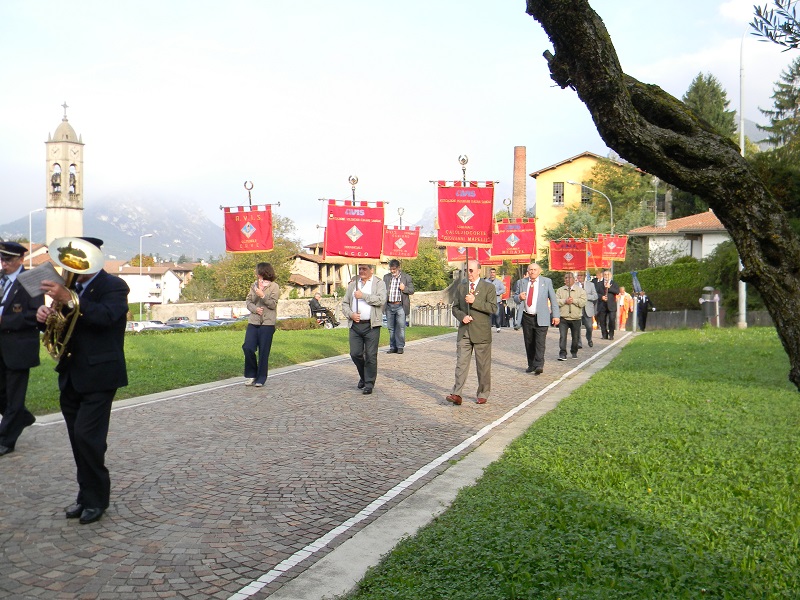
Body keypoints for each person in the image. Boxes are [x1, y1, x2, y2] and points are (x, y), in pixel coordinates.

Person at [37, 237, 129, 525]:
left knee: (88, 439)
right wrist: (44, 317)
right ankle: (85, 495)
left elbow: (107, 317)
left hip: (100, 375)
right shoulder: (72, 288)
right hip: (71, 374)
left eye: (76, 262)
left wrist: (70, 299)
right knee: (78, 441)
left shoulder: (113, 286)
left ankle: (97, 499)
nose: (70, 268)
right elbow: (59, 326)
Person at [0, 242, 44, 457]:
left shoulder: (31, 280)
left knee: (15, 396)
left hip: (19, 347)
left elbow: (35, 315)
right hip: (1, 345)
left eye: (8, 260)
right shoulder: (0, 278)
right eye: (2, 259)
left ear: (20, 259)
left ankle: (5, 440)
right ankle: (23, 417)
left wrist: (5, 321)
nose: (4, 264)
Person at [447, 259, 496, 406]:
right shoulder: (461, 287)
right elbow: (455, 307)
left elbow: (493, 308)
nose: (469, 273)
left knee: (483, 366)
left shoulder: (488, 287)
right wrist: (462, 316)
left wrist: (475, 301)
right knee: (461, 364)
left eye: (471, 270)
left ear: (479, 270)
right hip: (465, 331)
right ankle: (457, 393)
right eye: (466, 270)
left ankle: (483, 393)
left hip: (481, 332)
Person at [342, 264, 387, 395]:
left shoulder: (379, 283)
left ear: (371, 270)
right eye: (360, 268)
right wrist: (351, 314)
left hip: (371, 325)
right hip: (355, 326)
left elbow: (381, 300)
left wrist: (363, 296)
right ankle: (364, 376)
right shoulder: (353, 284)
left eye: (364, 269)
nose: (361, 271)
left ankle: (369, 383)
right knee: (355, 354)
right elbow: (345, 303)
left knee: (370, 356)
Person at [514, 263, 560, 375]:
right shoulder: (521, 282)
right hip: (527, 316)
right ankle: (531, 364)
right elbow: (515, 298)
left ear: (539, 271)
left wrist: (556, 315)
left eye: (535, 270)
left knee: (540, 342)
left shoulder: (546, 282)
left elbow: (553, 299)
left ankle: (539, 364)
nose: (532, 271)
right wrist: (519, 297)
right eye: (530, 269)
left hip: (541, 316)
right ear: (528, 271)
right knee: (529, 342)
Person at [243, 262, 280, 388]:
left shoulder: (274, 287)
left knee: (263, 352)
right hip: (253, 321)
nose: (256, 273)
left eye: (257, 271)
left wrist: (263, 295)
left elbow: (273, 304)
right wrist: (255, 309)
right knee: (248, 347)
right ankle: (251, 374)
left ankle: (261, 378)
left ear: (263, 272)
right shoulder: (254, 285)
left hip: (267, 323)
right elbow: (249, 301)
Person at [382, 259, 414, 354]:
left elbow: (412, 290)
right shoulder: (386, 277)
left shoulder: (406, 277)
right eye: (391, 269)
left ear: (398, 268)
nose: (392, 271)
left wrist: (404, 288)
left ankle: (400, 346)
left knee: (400, 327)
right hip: (389, 305)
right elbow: (382, 290)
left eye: (394, 269)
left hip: (400, 306)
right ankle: (393, 347)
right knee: (391, 328)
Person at [556, 272, 587, 361]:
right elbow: (556, 301)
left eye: (569, 278)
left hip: (576, 318)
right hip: (563, 318)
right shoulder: (560, 290)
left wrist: (573, 301)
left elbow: (583, 302)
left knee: (575, 337)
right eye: (565, 278)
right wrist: (565, 301)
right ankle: (562, 353)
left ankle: (574, 351)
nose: (567, 279)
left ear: (574, 279)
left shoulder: (580, 291)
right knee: (563, 336)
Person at [594, 269, 620, 340]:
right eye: (605, 275)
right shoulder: (599, 284)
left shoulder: (614, 283)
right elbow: (595, 293)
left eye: (608, 275)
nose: (606, 276)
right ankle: (604, 334)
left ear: (610, 275)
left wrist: (610, 287)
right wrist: (601, 297)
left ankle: (611, 334)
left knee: (612, 320)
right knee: (602, 321)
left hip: (611, 305)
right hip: (602, 305)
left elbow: (617, 291)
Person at [575, 272, 597, 348]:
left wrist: (586, 296)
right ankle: (579, 343)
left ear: (584, 276)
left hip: (588, 309)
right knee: (577, 327)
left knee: (589, 327)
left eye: (581, 275)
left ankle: (589, 339)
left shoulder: (591, 285)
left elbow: (595, 296)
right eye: (578, 275)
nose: (579, 277)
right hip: (578, 309)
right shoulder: (574, 285)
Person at [484, 268, 506, 333]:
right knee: (489, 314)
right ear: (489, 273)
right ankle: (488, 327)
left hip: (497, 300)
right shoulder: (486, 281)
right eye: (491, 272)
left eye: (493, 272)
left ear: (495, 274)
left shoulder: (499, 282)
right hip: (488, 300)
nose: (492, 274)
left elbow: (503, 289)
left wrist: (497, 293)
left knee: (497, 314)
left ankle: (498, 327)